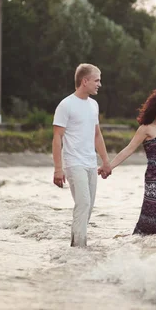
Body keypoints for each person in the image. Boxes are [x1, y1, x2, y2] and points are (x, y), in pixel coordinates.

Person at [105, 88, 156, 235]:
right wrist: (109, 166)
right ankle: (139, 246)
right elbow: (128, 149)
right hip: (154, 180)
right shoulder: (145, 128)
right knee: (152, 219)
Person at [52, 63, 112, 247]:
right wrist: (58, 169)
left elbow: (97, 135)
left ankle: (76, 245)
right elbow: (57, 138)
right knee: (84, 203)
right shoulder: (66, 104)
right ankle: (80, 248)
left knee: (88, 207)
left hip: (90, 163)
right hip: (73, 163)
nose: (99, 84)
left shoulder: (94, 105)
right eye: (97, 80)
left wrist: (106, 161)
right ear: (84, 81)